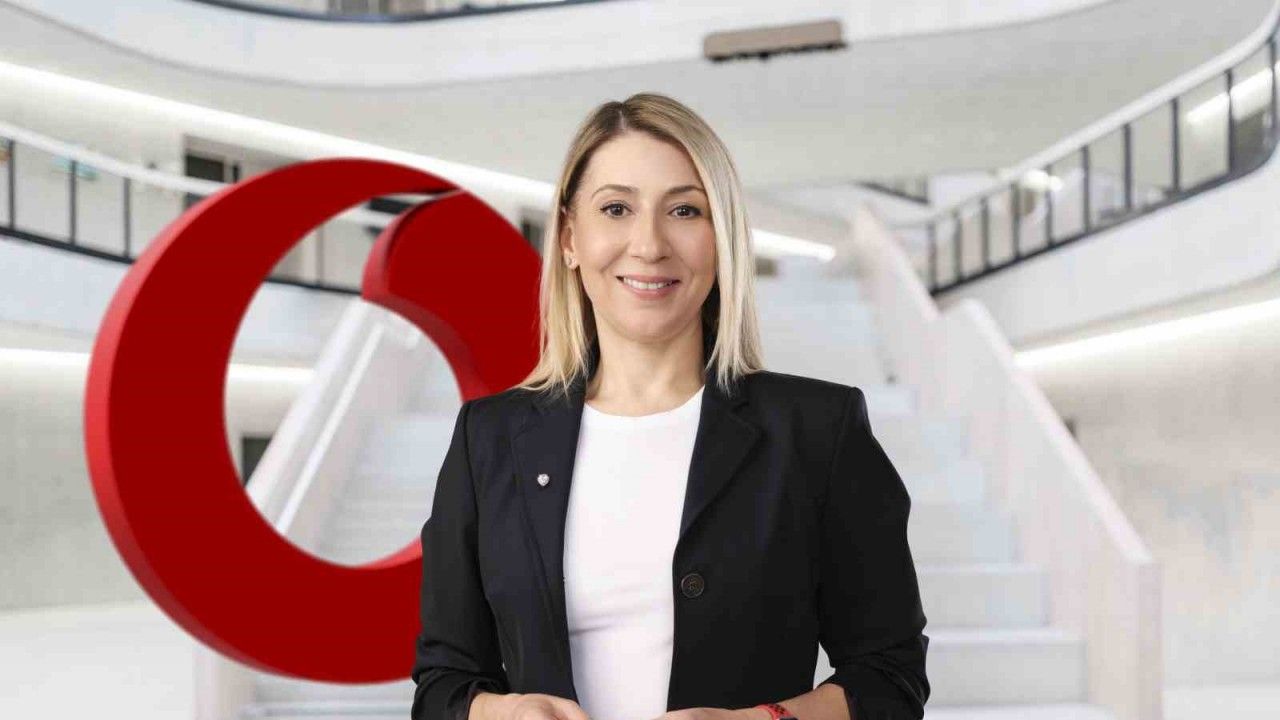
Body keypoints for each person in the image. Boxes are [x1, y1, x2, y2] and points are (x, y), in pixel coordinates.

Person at [411, 92, 930, 720]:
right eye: (616, 209)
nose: (649, 244)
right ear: (570, 238)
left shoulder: (819, 430)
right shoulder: (488, 439)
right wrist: (506, 713)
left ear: (721, 238)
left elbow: (890, 678)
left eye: (685, 210)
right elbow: (443, 685)